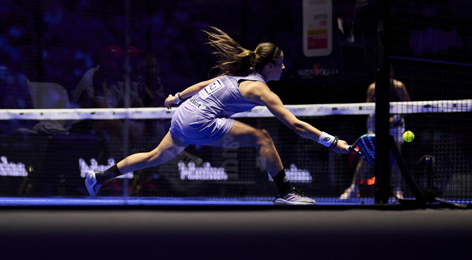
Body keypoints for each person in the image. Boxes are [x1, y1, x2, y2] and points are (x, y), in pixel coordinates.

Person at [85, 27, 350, 205]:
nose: (283, 67)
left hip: (182, 115)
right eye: (280, 63)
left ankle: (99, 178)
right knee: (263, 137)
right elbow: (293, 124)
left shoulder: (234, 74)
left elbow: (201, 86)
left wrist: (176, 97)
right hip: (199, 120)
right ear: (269, 66)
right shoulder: (260, 89)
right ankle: (286, 193)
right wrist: (331, 141)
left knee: (155, 156)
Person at [340, 72, 410, 200]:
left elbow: (408, 106)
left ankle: (397, 190)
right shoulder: (373, 88)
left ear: (392, 74)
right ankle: (354, 188)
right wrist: (381, 118)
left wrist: (394, 118)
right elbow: (368, 107)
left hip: (396, 125)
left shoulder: (399, 87)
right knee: (366, 156)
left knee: (395, 157)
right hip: (375, 123)